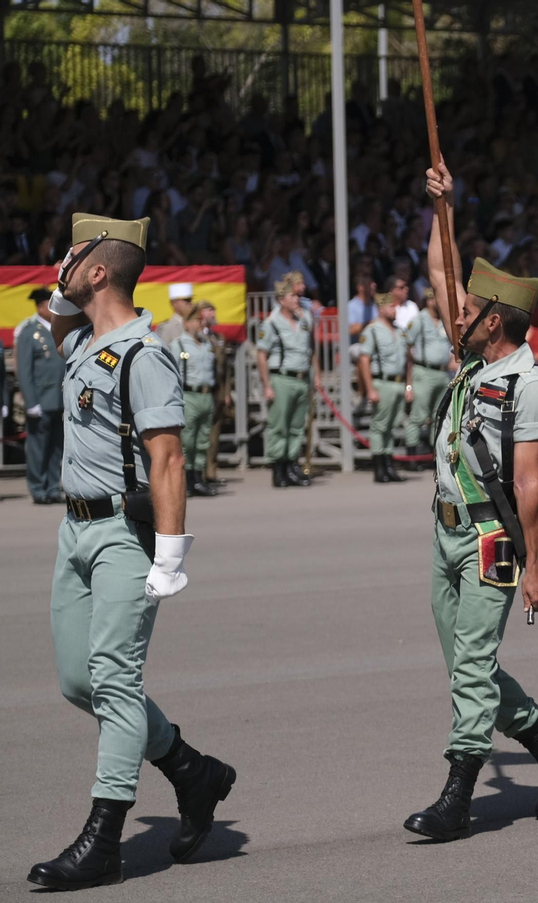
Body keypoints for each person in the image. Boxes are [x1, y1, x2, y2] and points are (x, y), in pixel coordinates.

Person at [28, 214, 235, 890]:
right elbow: (60, 320)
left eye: (71, 255)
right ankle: (190, 768)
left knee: (114, 677)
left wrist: (170, 555)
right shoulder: (86, 339)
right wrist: (66, 289)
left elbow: (168, 458)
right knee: (78, 680)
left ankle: (105, 837)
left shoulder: (144, 355)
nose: (57, 263)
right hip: (75, 530)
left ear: (96, 271)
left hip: (123, 531)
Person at [404, 162, 538, 841]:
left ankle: (458, 791)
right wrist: (440, 209)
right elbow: (440, 274)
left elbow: (532, 481)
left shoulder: (526, 384)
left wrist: (535, 563)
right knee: (465, 661)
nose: (455, 312)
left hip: (493, 539)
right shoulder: (474, 360)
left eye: (469, 309)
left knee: (474, 662)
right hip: (445, 531)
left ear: (495, 323)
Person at [255, 271, 321, 487]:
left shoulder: (304, 319)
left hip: (301, 378)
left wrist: (316, 376)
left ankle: (292, 464)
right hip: (281, 377)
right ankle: (278, 468)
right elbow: (262, 355)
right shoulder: (271, 323)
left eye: (296, 296)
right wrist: (267, 385)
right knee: (279, 425)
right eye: (292, 297)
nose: (296, 299)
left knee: (296, 426)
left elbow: (311, 351)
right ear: (281, 299)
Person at [355, 288, 413, 483]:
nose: (395, 310)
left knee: (391, 426)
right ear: (380, 308)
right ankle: (379, 467)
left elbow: (408, 361)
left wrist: (408, 386)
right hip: (383, 381)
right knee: (379, 426)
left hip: (397, 383)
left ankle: (389, 465)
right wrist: (370, 388)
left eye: (395, 306)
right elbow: (364, 360)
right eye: (391, 306)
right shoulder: (372, 330)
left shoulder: (400, 330)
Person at [15, 287, 67, 504]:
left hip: (59, 398)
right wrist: (31, 401)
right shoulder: (29, 331)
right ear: (40, 306)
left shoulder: (59, 328)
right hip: (41, 399)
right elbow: (24, 371)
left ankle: (53, 487)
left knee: (57, 445)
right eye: (49, 304)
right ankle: (38, 488)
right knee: (38, 446)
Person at [168, 301, 219, 497]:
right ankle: (187, 480)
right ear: (186, 323)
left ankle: (198, 477)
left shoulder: (207, 343)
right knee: (188, 440)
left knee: (203, 439)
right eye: (196, 321)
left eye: (200, 321)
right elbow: (172, 374)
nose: (200, 324)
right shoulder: (178, 344)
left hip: (206, 395)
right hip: (188, 395)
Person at [405, 287, 454, 469]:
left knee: (438, 416)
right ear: (427, 301)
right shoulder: (420, 319)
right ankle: (411, 457)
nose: (435, 302)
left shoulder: (443, 320)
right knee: (418, 415)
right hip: (424, 370)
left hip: (442, 372)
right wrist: (408, 382)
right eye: (432, 299)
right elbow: (407, 348)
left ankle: (436, 456)